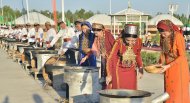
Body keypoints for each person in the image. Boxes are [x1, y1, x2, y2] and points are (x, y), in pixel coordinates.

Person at [157, 20, 190, 103]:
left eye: (164, 31)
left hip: (179, 69)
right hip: (168, 68)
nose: (162, 34)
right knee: (169, 92)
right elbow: (164, 53)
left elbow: (182, 56)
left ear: (170, 29)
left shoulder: (178, 37)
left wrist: (168, 66)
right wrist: (159, 64)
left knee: (178, 93)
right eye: (160, 31)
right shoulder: (162, 38)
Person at [106, 24, 143, 89]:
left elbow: (138, 55)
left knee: (131, 91)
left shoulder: (139, 42)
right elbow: (111, 58)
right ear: (124, 38)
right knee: (119, 92)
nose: (130, 43)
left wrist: (140, 68)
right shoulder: (119, 42)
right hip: (119, 70)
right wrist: (109, 74)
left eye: (133, 41)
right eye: (127, 40)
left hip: (131, 71)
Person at [80, 23, 115, 89]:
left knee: (111, 76)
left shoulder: (108, 35)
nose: (95, 32)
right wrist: (85, 57)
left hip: (112, 59)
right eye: (94, 30)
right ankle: (104, 91)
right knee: (104, 77)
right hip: (104, 59)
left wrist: (110, 57)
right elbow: (93, 49)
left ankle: (111, 91)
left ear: (102, 30)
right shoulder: (95, 37)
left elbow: (115, 47)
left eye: (98, 30)